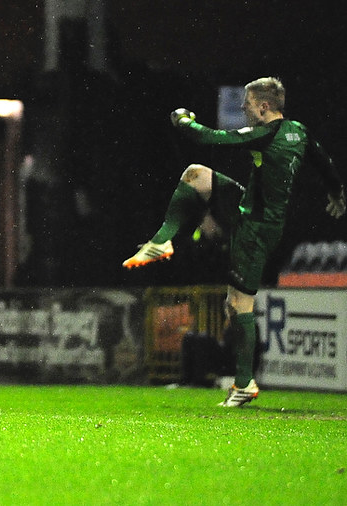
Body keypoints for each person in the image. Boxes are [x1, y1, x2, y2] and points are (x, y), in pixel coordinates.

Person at [123, 77, 345, 407]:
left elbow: (210, 137)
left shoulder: (266, 134)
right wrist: (336, 192)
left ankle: (244, 385)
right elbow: (322, 161)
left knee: (240, 305)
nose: (243, 107)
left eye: (247, 102)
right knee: (196, 175)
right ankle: (163, 240)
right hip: (249, 211)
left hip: (257, 228)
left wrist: (183, 119)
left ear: (264, 107)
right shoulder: (299, 131)